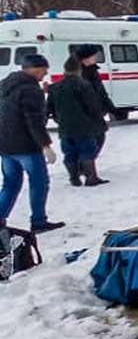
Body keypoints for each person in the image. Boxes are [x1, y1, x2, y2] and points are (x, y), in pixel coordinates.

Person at [0, 54, 65, 233]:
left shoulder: (5, 85)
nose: (46, 74)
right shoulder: (30, 90)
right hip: (27, 146)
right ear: (36, 69)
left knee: (10, 184)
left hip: (5, 145)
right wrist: (45, 146)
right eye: (44, 70)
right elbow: (34, 121)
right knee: (39, 183)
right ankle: (38, 221)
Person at [47, 56, 109, 187]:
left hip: (65, 127)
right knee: (87, 151)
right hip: (84, 126)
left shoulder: (54, 87)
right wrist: (99, 117)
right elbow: (92, 106)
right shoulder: (84, 85)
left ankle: (74, 178)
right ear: (78, 70)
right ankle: (91, 178)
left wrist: (58, 120)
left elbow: (49, 108)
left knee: (69, 153)